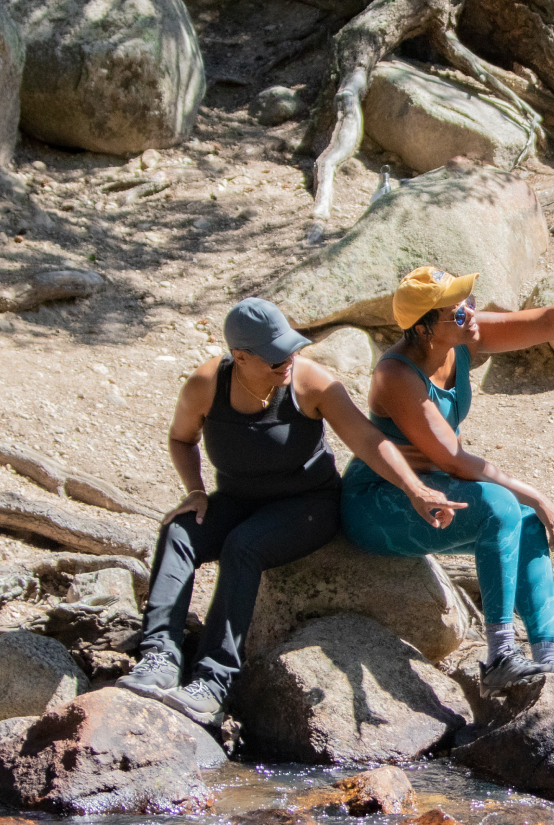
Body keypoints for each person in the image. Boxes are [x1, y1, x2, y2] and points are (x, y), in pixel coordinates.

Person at [120, 296, 465, 725]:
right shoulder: (207, 384)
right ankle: (159, 658)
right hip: (237, 500)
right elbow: (181, 439)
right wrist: (194, 490)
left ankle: (213, 681)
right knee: (179, 532)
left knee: (243, 548)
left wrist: (415, 489)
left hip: (309, 507)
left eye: (291, 347)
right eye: (275, 355)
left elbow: (367, 440)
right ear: (239, 357)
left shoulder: (311, 383)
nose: (288, 359)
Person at [342, 267, 554, 689]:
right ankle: (501, 655)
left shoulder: (463, 338)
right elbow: (453, 460)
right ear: (426, 326)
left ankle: (547, 658)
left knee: (523, 517)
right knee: (504, 505)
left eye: (469, 301)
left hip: (434, 492)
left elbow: (547, 322)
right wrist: (533, 491)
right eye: (458, 308)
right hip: (379, 502)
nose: (471, 311)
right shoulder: (397, 375)